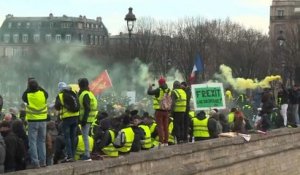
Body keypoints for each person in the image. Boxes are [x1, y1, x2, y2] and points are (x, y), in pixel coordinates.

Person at [22, 78, 48, 168]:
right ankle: (43, 162)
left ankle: (35, 163)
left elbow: (23, 96)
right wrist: (37, 85)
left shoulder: (28, 96)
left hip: (32, 121)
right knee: (42, 141)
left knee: (32, 142)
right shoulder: (43, 94)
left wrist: (29, 85)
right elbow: (45, 92)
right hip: (43, 121)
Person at [54, 82, 79, 162]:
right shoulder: (73, 93)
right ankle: (73, 155)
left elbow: (57, 107)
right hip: (75, 117)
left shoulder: (60, 96)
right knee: (73, 137)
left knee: (67, 137)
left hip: (67, 118)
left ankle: (69, 156)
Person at [78, 78, 98, 161]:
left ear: (80, 85)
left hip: (86, 119)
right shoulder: (89, 93)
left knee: (85, 137)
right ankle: (87, 153)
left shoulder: (84, 94)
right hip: (90, 118)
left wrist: (84, 120)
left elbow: (87, 108)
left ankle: (87, 155)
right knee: (85, 136)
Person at [147, 77, 170, 146]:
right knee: (166, 127)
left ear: (159, 83)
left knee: (160, 126)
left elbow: (149, 92)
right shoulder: (168, 90)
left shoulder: (158, 90)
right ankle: (166, 142)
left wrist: (150, 87)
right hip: (166, 111)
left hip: (159, 111)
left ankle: (161, 142)